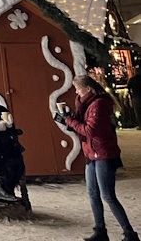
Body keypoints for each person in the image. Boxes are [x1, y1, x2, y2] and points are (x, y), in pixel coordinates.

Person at [57, 74, 139, 241]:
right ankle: (100, 231)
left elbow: (90, 130)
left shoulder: (100, 104)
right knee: (92, 193)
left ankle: (129, 233)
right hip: (91, 153)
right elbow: (82, 127)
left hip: (104, 154)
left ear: (88, 89)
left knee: (107, 195)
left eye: (78, 90)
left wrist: (69, 120)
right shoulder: (85, 104)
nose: (77, 93)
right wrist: (68, 119)